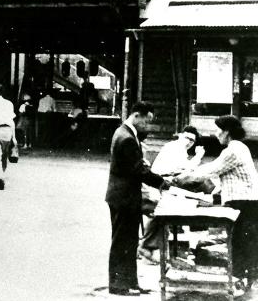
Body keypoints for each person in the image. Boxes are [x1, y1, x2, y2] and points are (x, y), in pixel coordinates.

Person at [175, 115, 258, 294]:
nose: (215, 133)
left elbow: (211, 169)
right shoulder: (237, 147)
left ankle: (239, 284)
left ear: (227, 131)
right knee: (244, 242)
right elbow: (226, 175)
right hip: (244, 200)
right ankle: (245, 282)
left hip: (245, 202)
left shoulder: (234, 149)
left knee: (240, 243)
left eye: (218, 129)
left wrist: (180, 178)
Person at [105, 101, 170, 296]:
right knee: (122, 242)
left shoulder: (125, 132)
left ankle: (130, 282)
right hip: (123, 197)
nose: (147, 126)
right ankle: (119, 285)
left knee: (129, 241)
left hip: (123, 196)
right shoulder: (126, 138)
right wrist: (161, 182)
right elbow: (138, 170)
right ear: (137, 116)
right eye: (146, 121)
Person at [138, 126, 206, 262]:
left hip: (165, 184)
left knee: (199, 191)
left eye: (192, 141)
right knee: (168, 209)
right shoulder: (175, 147)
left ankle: (156, 246)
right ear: (180, 136)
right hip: (157, 185)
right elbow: (187, 169)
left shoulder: (178, 149)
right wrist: (199, 156)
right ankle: (147, 246)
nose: (188, 142)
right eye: (186, 138)